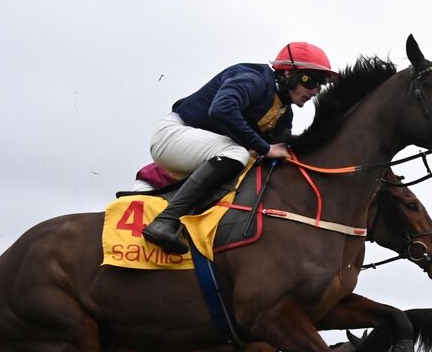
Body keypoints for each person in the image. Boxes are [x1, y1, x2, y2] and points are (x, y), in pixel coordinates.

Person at [140, 42, 339, 253]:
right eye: (312, 82)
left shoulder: (284, 112)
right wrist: (264, 147)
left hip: (199, 149)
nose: (315, 91)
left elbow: (284, 149)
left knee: (253, 163)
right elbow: (222, 109)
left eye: (321, 86)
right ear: (289, 72)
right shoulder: (253, 78)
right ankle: (165, 221)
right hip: (171, 135)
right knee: (239, 153)